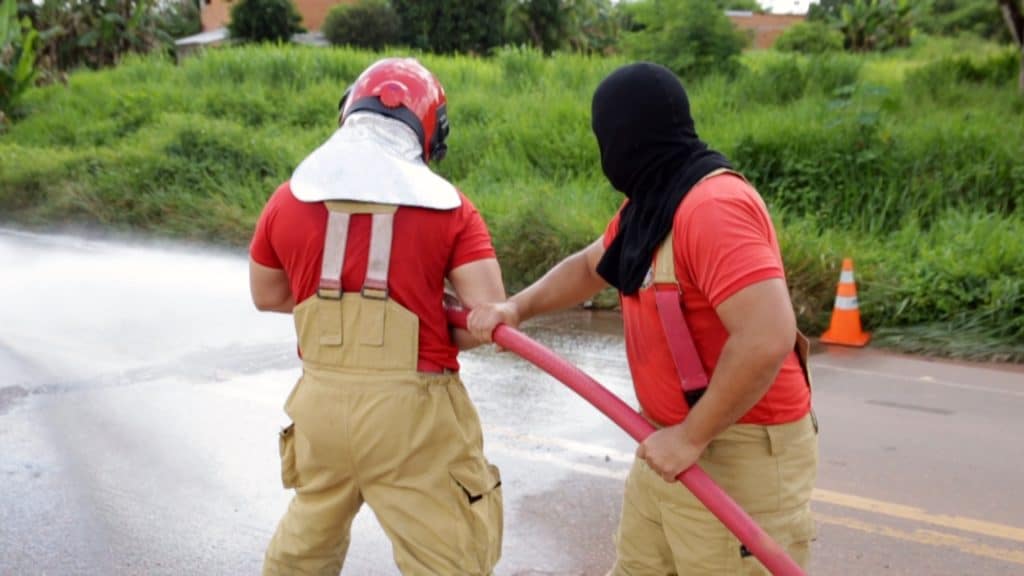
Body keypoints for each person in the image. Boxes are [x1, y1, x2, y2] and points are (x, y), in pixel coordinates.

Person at [468, 62, 818, 575]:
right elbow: (591, 265)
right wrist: (516, 307)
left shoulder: (713, 206)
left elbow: (767, 336)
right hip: (667, 443)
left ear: (626, 135)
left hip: (735, 452)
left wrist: (691, 437)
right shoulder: (653, 203)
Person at [249, 57, 505, 576]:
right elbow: (489, 319)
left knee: (305, 549)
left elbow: (268, 295)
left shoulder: (288, 199)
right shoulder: (451, 208)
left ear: (349, 111)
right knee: (449, 559)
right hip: (412, 418)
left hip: (320, 406)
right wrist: (423, 312)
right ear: (430, 131)